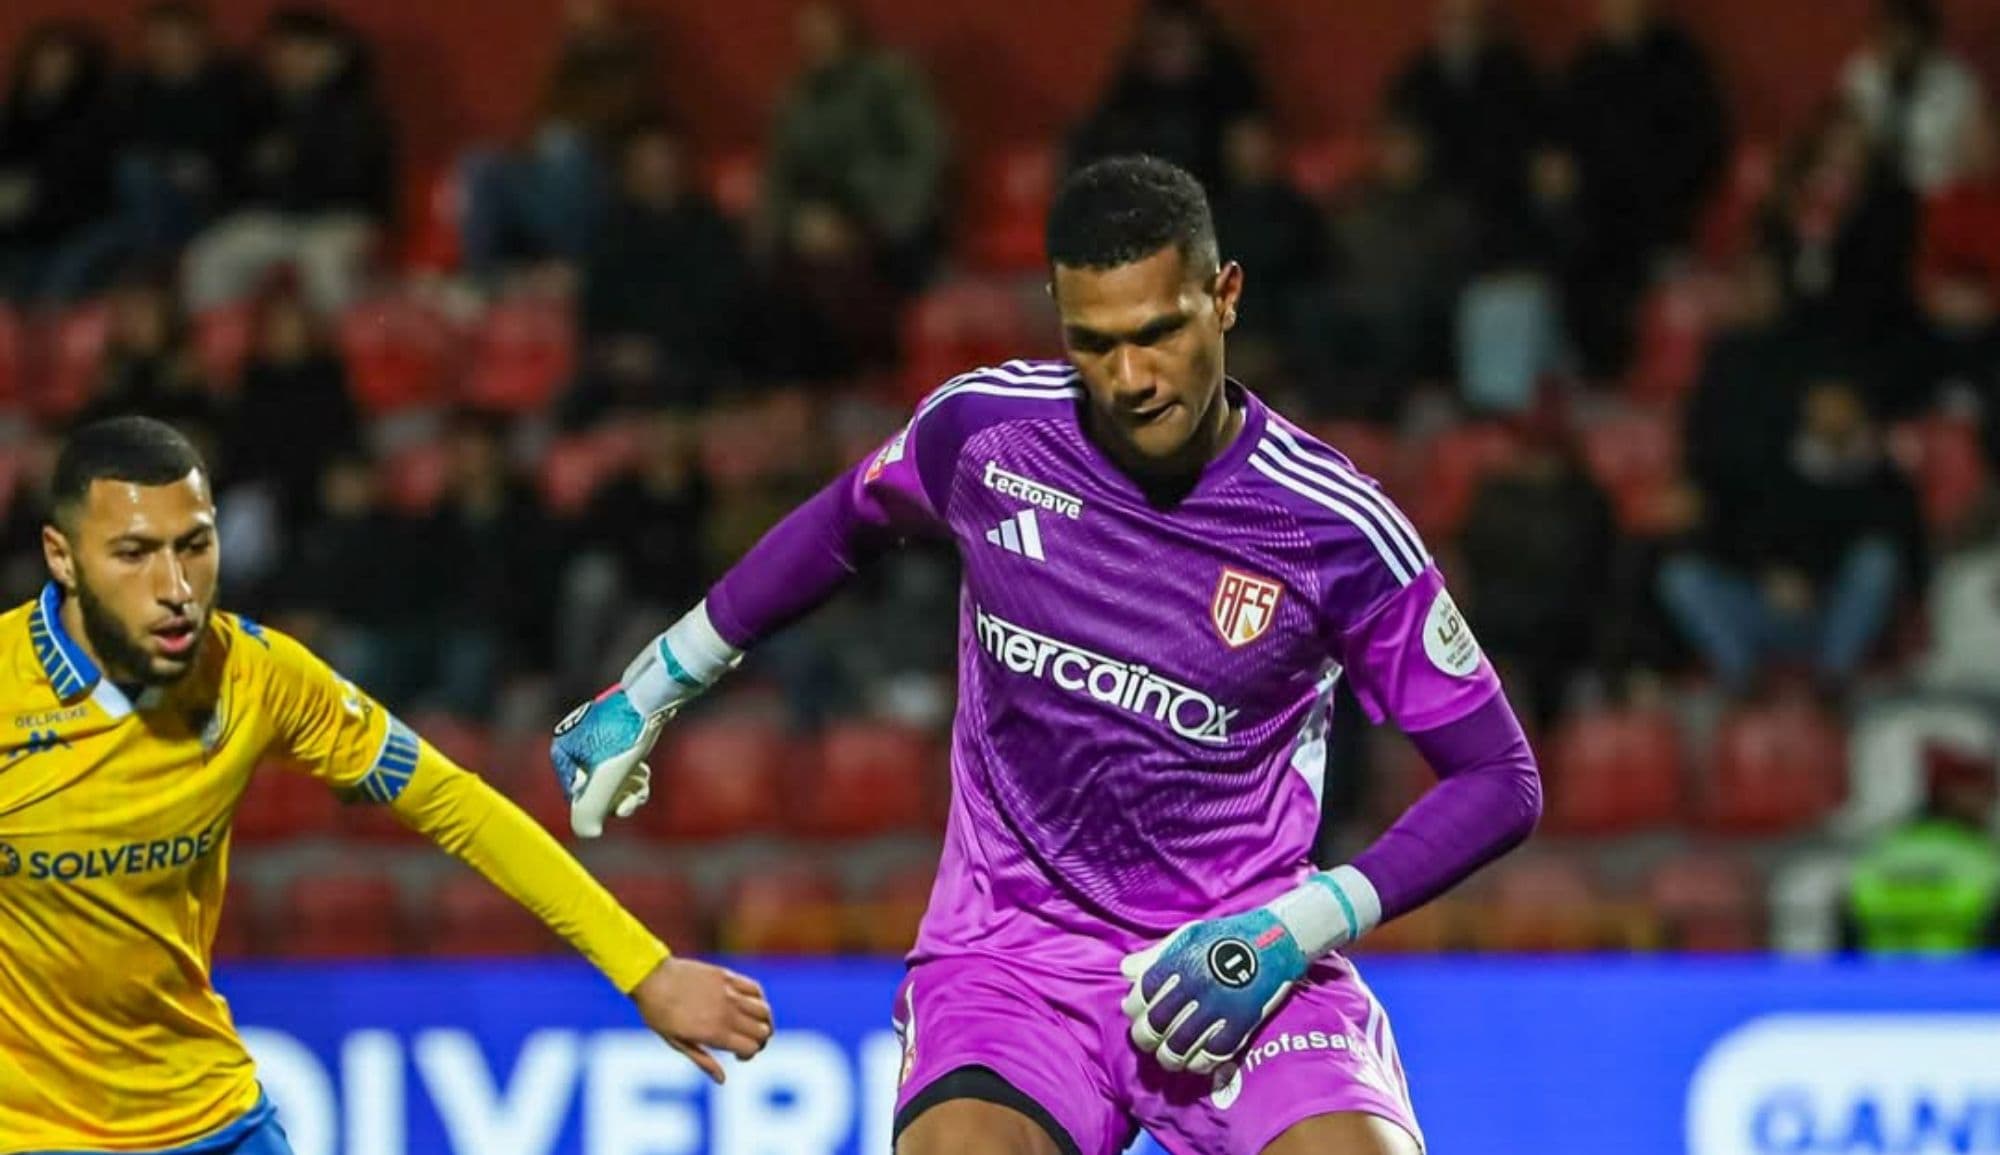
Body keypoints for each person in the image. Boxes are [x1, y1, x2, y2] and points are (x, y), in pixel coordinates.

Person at [551, 156, 1541, 1155]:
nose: (1131, 380)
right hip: (1010, 958)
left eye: (1159, 333)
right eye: (1094, 345)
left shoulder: (1331, 527)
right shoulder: (985, 435)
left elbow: (1499, 777)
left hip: (1243, 953)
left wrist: (1298, 927)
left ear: (1225, 297)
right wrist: (651, 686)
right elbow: (846, 519)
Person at [0, 417, 771, 1155]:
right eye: (134, 553)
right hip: (33, 1131)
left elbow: (454, 803)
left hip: (208, 1115)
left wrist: (645, 967)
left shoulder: (254, 675)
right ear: (62, 557)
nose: (175, 586)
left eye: (194, 545)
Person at [1842, 740, 2000, 955]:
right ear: (1948, 793)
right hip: (1964, 970)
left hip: (1880, 970)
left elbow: (1852, 911)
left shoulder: (1887, 846)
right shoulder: (1980, 855)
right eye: (1980, 792)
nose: (1989, 802)